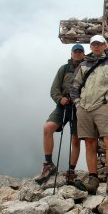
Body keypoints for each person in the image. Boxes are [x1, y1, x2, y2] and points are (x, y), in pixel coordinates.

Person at [71, 34, 108, 197]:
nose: (96, 46)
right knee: (89, 142)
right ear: (91, 46)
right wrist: (77, 103)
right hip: (84, 108)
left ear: (105, 46)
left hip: (103, 106)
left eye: (99, 44)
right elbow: (74, 86)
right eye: (94, 44)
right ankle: (93, 178)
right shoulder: (83, 65)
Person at [35, 44, 85, 185]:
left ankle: (71, 171)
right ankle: (49, 163)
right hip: (63, 105)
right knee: (48, 128)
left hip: (79, 107)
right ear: (71, 53)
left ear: (83, 54)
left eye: (80, 52)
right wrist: (60, 99)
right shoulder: (64, 69)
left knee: (75, 139)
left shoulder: (87, 68)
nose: (77, 54)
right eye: (75, 51)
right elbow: (54, 89)